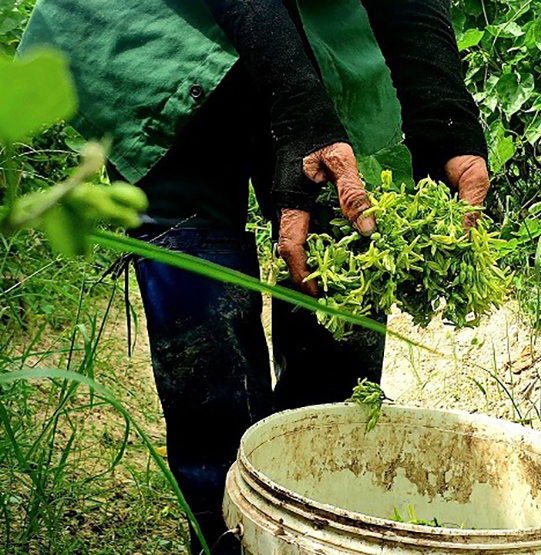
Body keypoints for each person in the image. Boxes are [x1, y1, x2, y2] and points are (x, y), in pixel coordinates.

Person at [20, 1, 490, 553]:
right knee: (203, 328)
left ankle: (319, 522)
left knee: (341, 264)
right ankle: (224, 531)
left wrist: (443, 118)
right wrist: (301, 115)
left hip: (317, 27)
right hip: (158, 26)